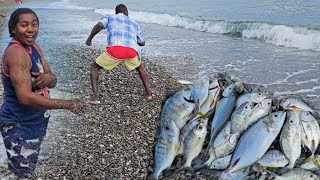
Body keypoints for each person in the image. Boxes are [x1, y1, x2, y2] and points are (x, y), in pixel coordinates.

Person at [0, 8, 83, 178]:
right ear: (14, 28)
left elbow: (52, 79)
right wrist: (68, 105)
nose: (31, 29)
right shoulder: (16, 53)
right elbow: (24, 97)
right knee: (22, 172)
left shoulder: (34, 47)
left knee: (27, 164)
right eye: (24, 25)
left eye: (34, 24)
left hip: (35, 120)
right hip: (19, 124)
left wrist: (48, 78)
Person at [85, 4, 152, 104]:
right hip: (131, 51)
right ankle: (149, 94)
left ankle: (95, 97)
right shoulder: (134, 23)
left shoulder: (110, 17)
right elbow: (142, 43)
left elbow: (99, 25)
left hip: (115, 50)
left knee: (94, 67)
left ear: (117, 12)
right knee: (140, 69)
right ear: (126, 12)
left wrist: (89, 39)